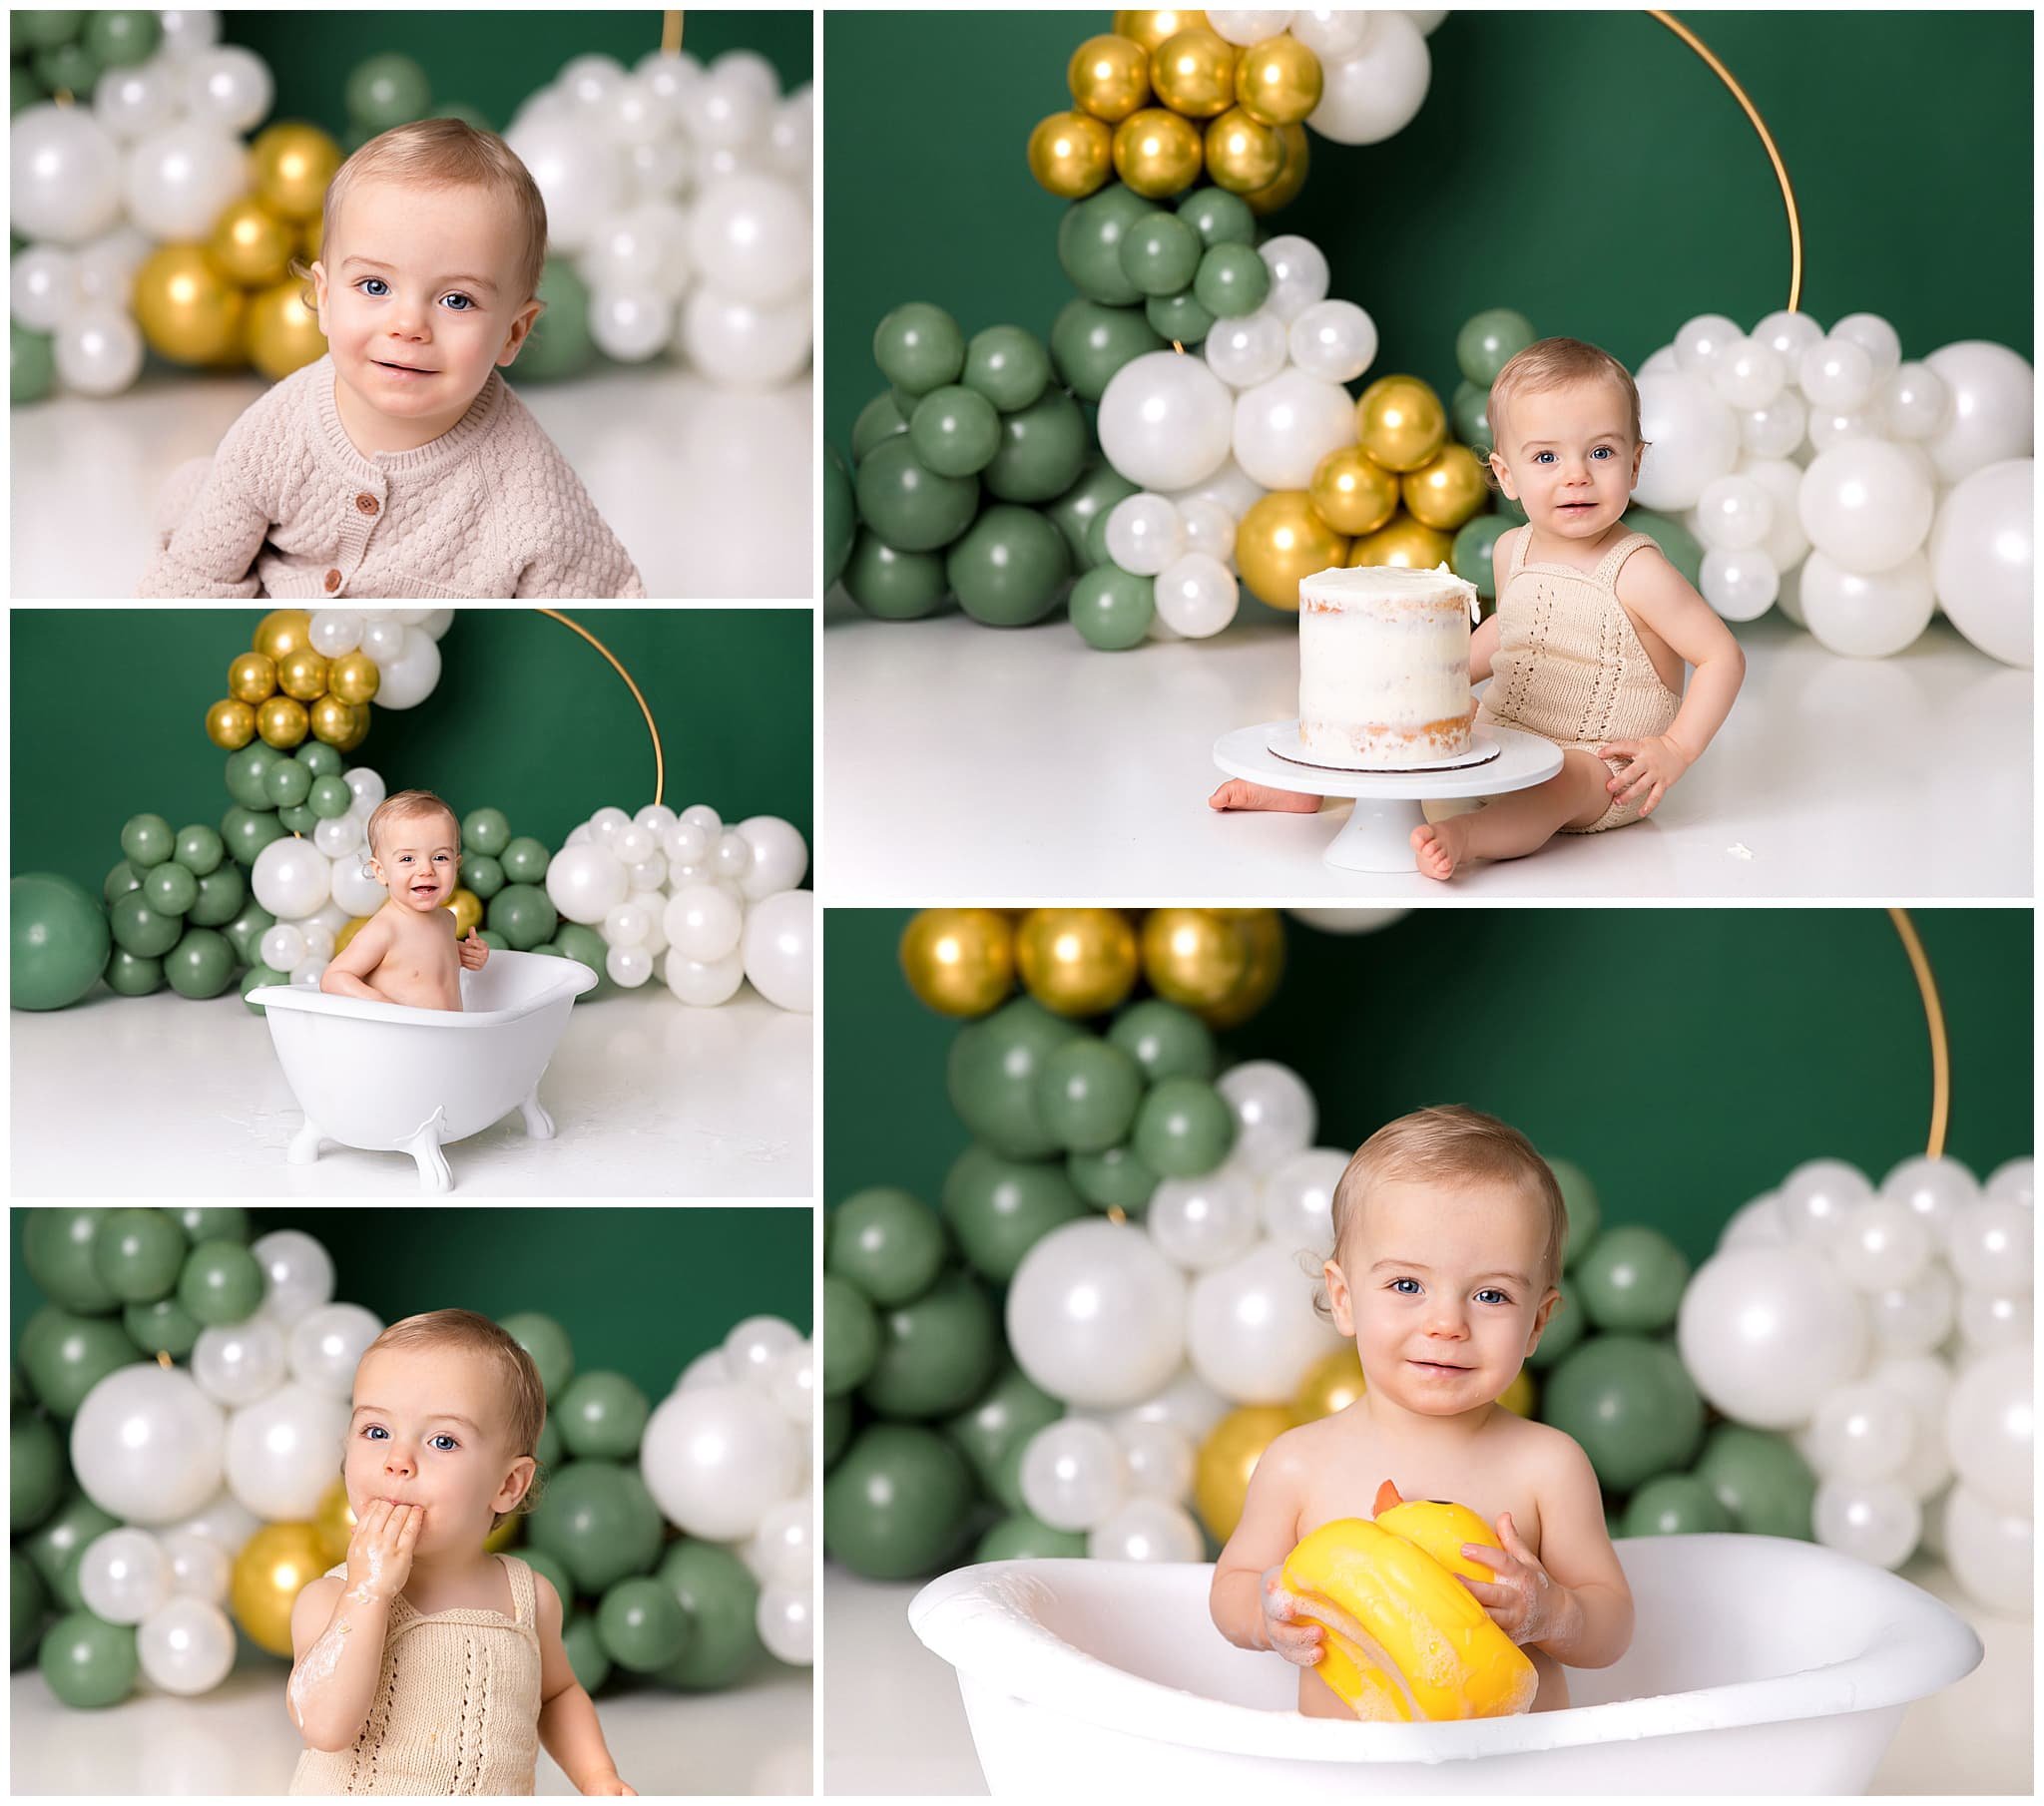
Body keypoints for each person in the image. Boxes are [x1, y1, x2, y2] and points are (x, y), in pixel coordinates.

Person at [1212, 338, 1746, 879]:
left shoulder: (1637, 571)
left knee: (1565, 781)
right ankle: (1310, 789)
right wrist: (1432, 681)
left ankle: (1467, 837)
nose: (1576, 475)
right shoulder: (1513, 550)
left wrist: (1676, 748)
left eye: (1601, 452)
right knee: (1405, 727)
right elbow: (1511, 632)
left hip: (1599, 767)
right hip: (1507, 740)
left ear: (1635, 465)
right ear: (1506, 474)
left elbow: (1721, 656)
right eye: (1546, 457)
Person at [1210, 1105, 1634, 1717]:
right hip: (1353, 1778)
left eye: (1491, 1295)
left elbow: (1612, 1625)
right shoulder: (1298, 1464)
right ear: (1344, 1298)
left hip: (1518, 1777)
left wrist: (1554, 1613)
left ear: (1537, 1322)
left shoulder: (1548, 1466)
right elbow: (1231, 1589)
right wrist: (1266, 1613)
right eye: (1407, 1286)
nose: (1446, 1325)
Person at [140, 118, 646, 599]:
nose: (407, 326)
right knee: (199, 503)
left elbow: (602, 601)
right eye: (375, 286)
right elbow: (194, 582)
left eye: (457, 301)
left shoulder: (529, 490)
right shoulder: (276, 435)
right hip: (285, 609)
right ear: (326, 297)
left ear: (514, 333)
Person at [286, 1309, 635, 1794]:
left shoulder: (529, 1599)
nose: (398, 1462)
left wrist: (598, 1776)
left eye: (443, 1441)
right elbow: (325, 1727)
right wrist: (368, 1592)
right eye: (376, 1431)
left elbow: (556, 1695)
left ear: (509, 1485)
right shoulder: (331, 1601)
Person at [320, 788, 485, 1011]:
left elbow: (422, 958)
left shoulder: (447, 919)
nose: (426, 870)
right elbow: (334, 977)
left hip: (448, 1037)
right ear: (380, 871)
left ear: (456, 865)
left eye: (440, 857)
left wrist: (463, 954)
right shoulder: (386, 928)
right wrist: (385, 1006)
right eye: (408, 858)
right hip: (403, 1039)